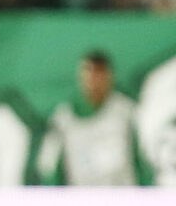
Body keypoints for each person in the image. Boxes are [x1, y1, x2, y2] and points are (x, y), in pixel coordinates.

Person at [37, 50, 151, 186]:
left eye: (99, 72)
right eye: (88, 72)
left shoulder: (127, 112)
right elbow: (49, 168)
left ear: (110, 76)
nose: (94, 79)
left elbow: (144, 161)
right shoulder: (62, 120)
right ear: (80, 76)